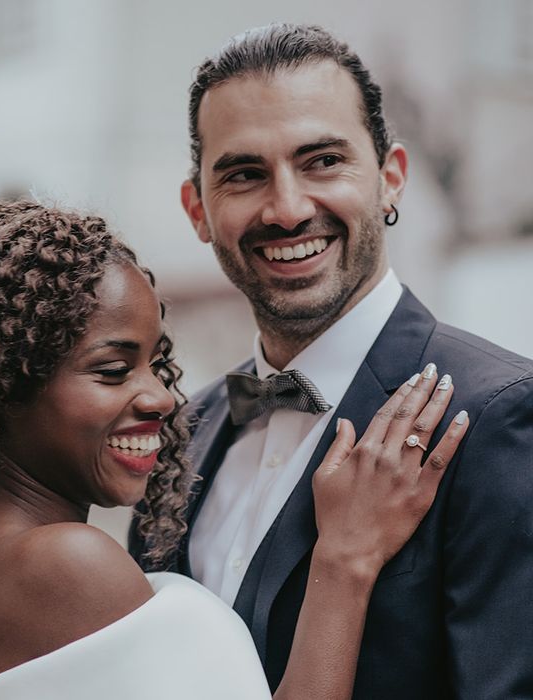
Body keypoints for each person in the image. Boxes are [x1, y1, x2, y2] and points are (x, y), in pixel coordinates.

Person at [0, 199, 467, 700]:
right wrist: (345, 560)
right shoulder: (64, 564)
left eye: (153, 364)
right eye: (112, 370)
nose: (162, 397)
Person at [130, 22, 533, 699]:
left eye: (322, 161)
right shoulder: (182, 431)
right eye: (245, 174)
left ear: (391, 179)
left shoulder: (499, 417)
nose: (287, 209)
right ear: (198, 210)